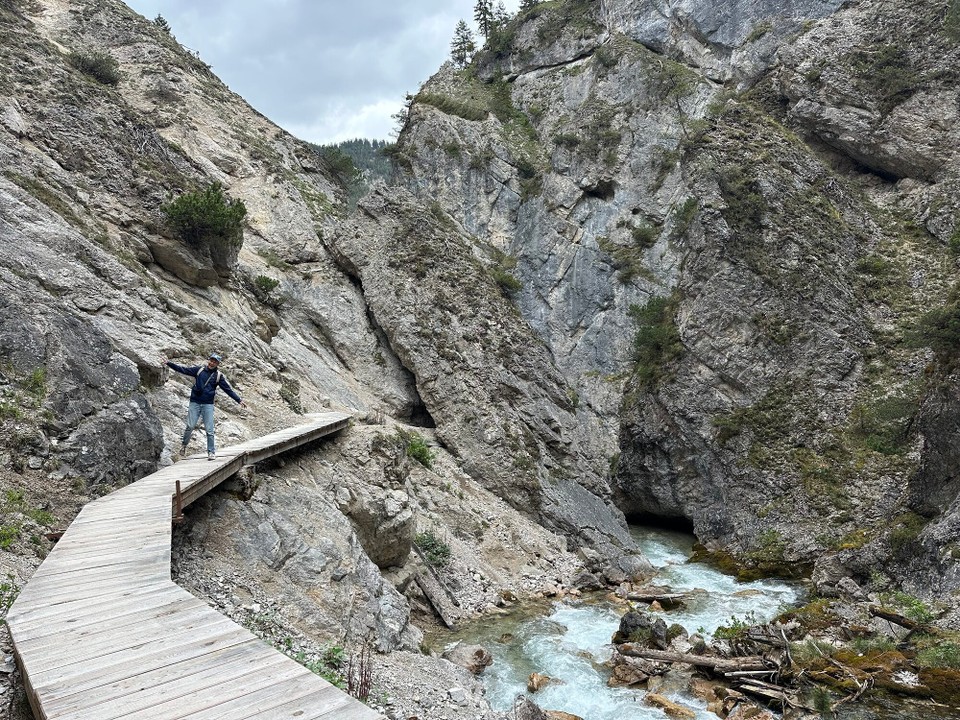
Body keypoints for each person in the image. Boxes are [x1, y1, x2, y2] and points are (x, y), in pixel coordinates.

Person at [164, 353, 247, 460]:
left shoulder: (218, 376)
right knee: (190, 426)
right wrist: (169, 363)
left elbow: (228, 390)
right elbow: (183, 370)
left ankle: (211, 452)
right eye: (211, 360)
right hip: (195, 402)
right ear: (209, 360)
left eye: (215, 362)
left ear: (217, 364)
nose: (212, 363)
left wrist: (239, 400)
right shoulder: (199, 370)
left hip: (208, 404)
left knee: (209, 430)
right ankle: (184, 445)